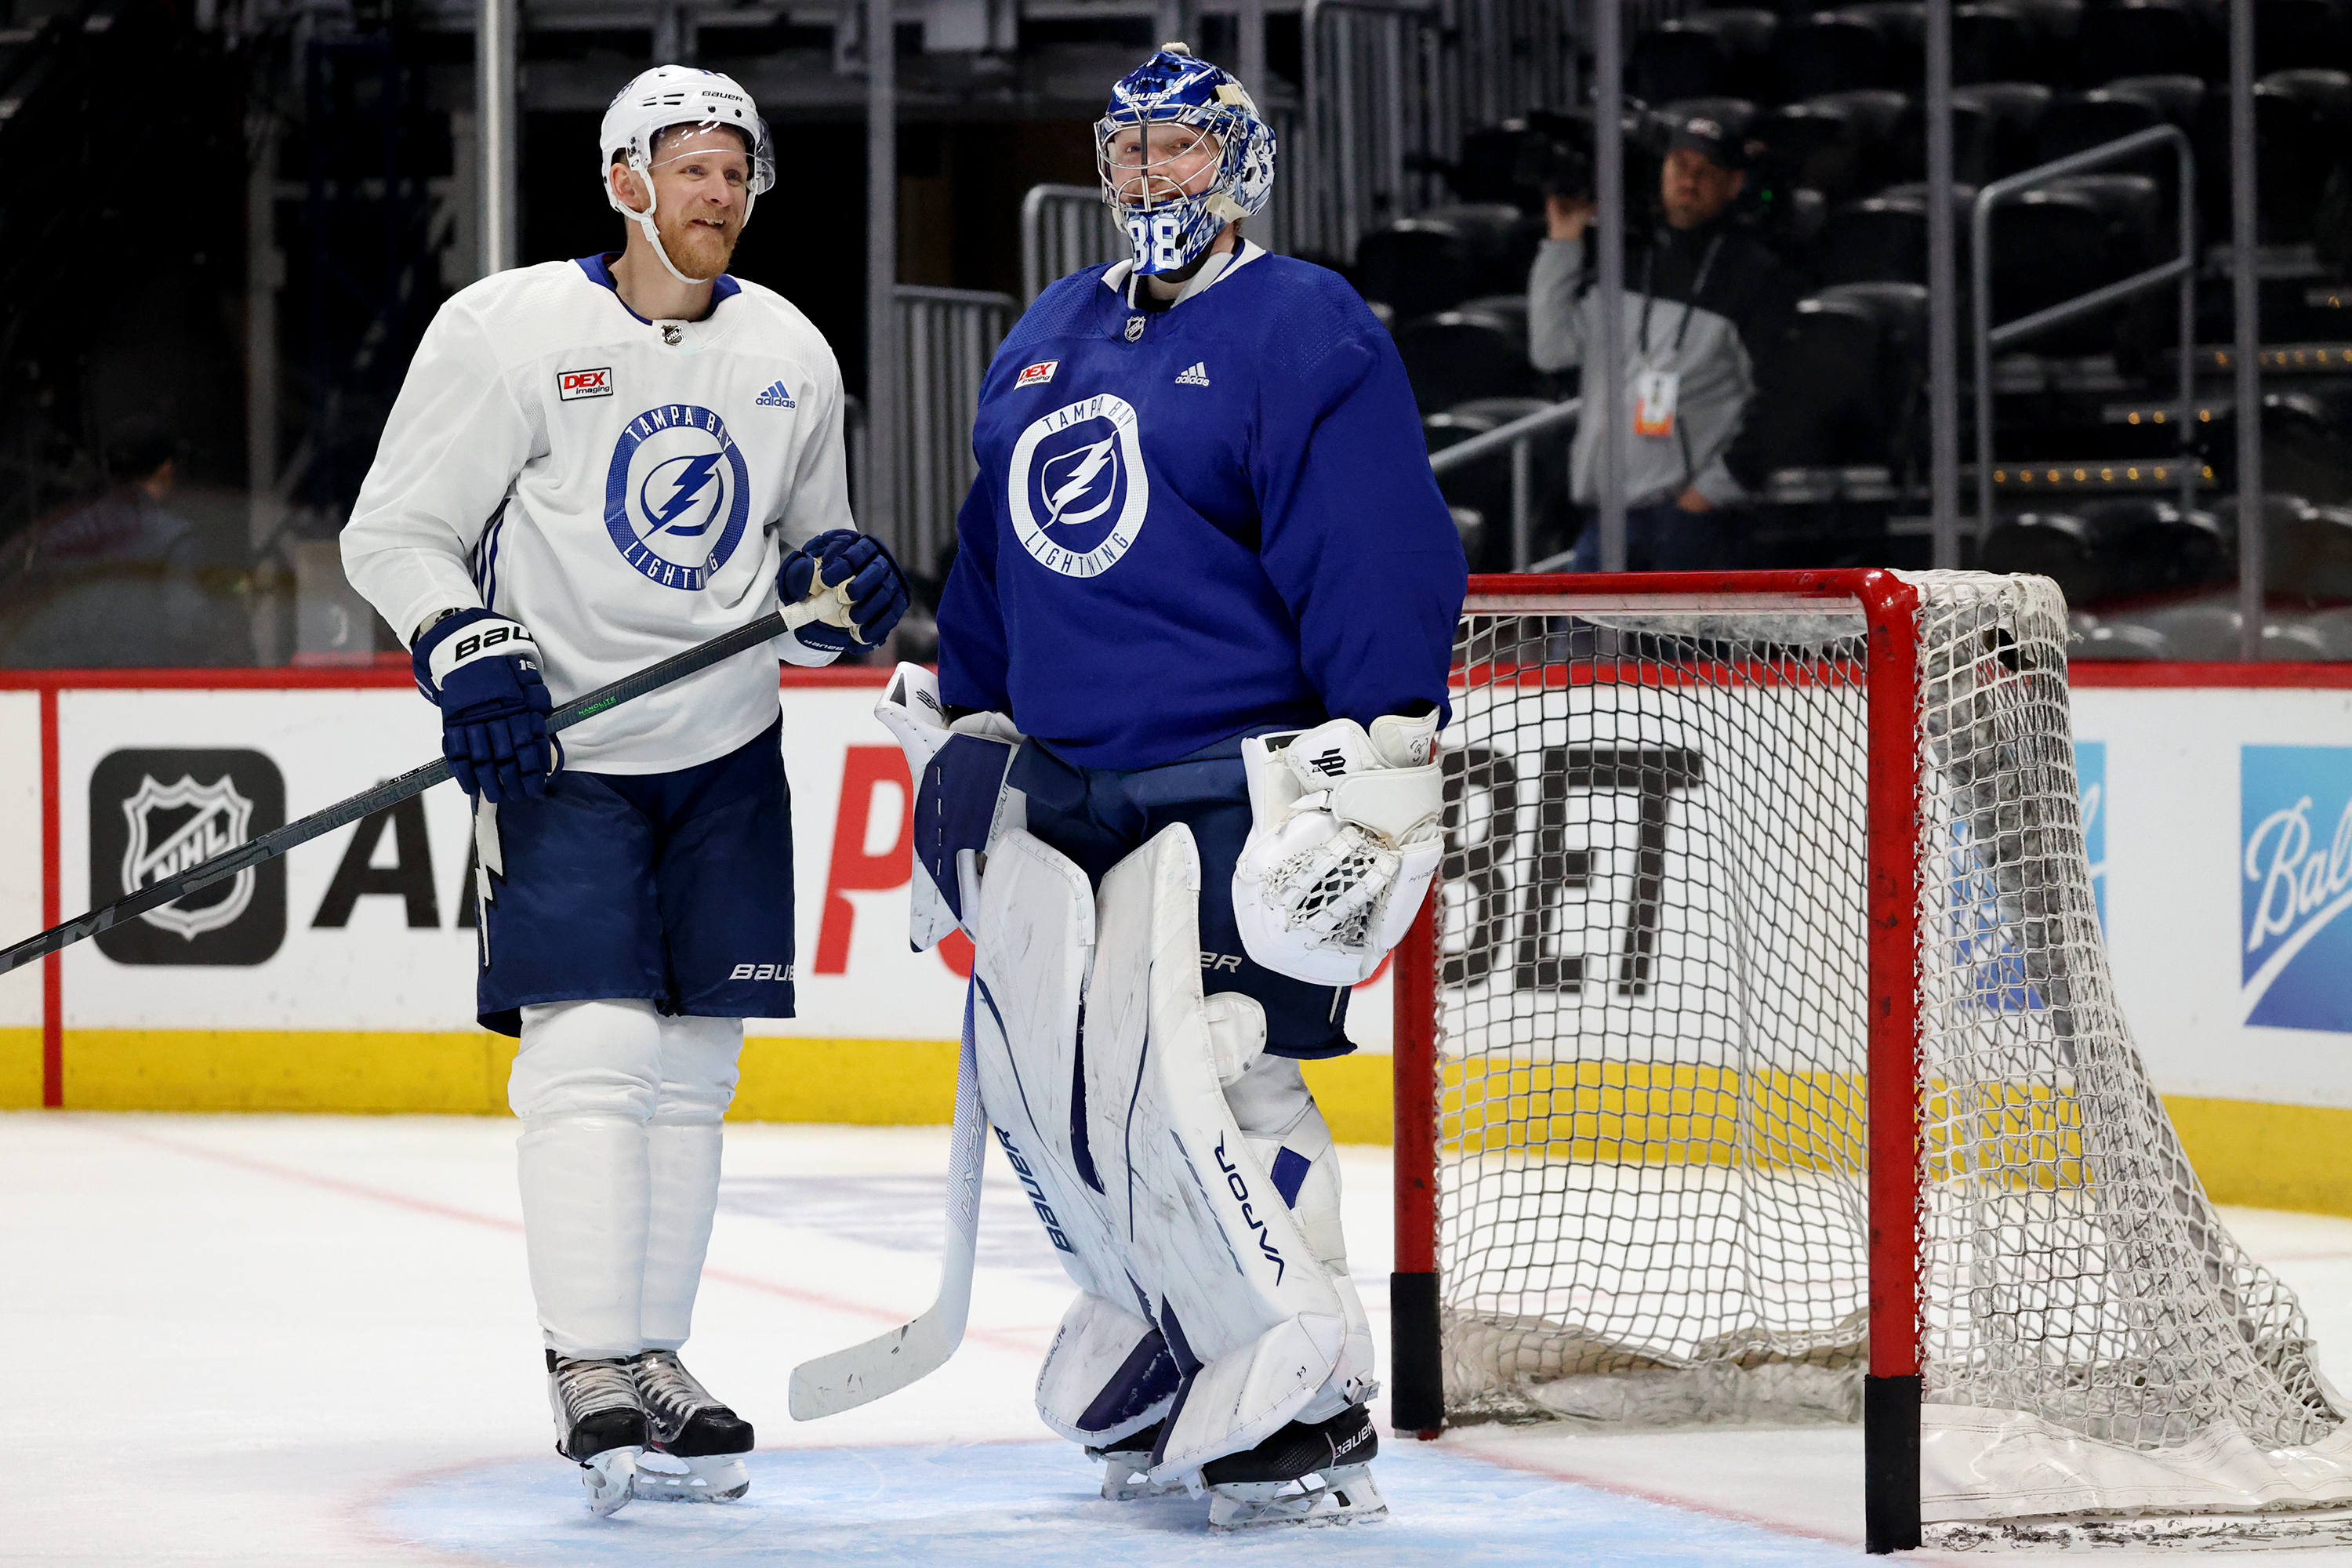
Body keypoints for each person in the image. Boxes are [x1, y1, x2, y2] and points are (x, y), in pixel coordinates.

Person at [339, 64, 908, 1515]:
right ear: (624, 181)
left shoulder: (790, 348)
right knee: (591, 1052)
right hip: (568, 752)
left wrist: (846, 584)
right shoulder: (508, 330)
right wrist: (463, 642)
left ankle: (657, 1357)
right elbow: (396, 533)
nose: (720, 191)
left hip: (726, 751)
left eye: (738, 169)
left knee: (695, 1073)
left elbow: (813, 563)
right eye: (693, 166)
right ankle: (588, 1363)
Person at [923, 43, 1465, 1529]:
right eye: (1132, 152)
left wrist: (1390, 738)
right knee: (1084, 1104)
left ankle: (1314, 1385)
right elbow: (997, 548)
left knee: (1222, 1073)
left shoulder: (1303, 324)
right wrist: (965, 713)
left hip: (1233, 777)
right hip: (1072, 781)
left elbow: (1370, 541)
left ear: (1240, 165)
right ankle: (1172, 1335)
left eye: (1181, 150)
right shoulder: (1049, 330)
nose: (1153, 178)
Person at [1527, 111, 1800, 570]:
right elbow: (1550, 349)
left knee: (1679, 647)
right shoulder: (1624, 256)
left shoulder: (1757, 276)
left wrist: (1709, 492)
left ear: (1734, 185)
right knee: (1581, 646)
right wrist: (1563, 240)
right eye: (1679, 166)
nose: (1689, 182)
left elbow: (1781, 404)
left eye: (1707, 173)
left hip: (1691, 524)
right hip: (1605, 519)